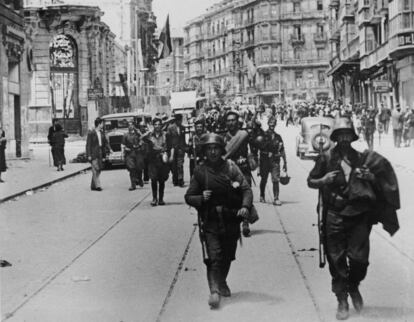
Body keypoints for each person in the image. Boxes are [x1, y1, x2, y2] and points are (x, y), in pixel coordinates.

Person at [307, 117, 400, 320]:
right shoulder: (326, 158)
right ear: (335, 138)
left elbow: (381, 185)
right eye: (340, 136)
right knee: (336, 258)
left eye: (347, 136)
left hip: (358, 215)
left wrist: (371, 178)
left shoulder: (361, 159)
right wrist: (323, 180)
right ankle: (342, 299)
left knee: (360, 260)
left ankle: (354, 285)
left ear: (352, 137)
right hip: (334, 214)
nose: (344, 140)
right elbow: (311, 181)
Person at [184, 133, 253, 309]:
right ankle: (214, 291)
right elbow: (189, 196)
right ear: (204, 152)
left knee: (228, 256)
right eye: (209, 149)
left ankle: (222, 281)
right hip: (211, 220)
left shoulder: (231, 168)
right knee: (214, 257)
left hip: (231, 218)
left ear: (221, 150)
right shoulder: (200, 171)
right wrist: (201, 198)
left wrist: (245, 206)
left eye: (216, 148)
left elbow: (246, 189)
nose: (213, 152)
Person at [223, 110, 255, 237]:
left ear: (238, 122)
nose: (231, 123)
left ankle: (245, 223)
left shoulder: (244, 135)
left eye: (233, 120)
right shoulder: (223, 138)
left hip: (243, 168)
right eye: (228, 120)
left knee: (246, 194)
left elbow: (254, 146)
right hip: (229, 171)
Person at [258, 117, 287, 205]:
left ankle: (276, 198)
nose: (272, 124)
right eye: (270, 122)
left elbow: (282, 150)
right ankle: (262, 195)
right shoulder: (263, 135)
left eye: (274, 123)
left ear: (275, 124)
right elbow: (259, 148)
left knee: (275, 179)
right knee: (264, 179)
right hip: (265, 160)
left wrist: (285, 163)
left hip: (275, 161)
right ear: (268, 123)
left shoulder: (278, 137)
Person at [144, 118, 169, 206]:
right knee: (153, 179)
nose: (157, 126)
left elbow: (168, 145)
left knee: (162, 179)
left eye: (159, 124)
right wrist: (148, 132)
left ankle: (161, 199)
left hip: (162, 158)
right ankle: (154, 198)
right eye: (155, 124)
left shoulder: (165, 135)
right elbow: (141, 138)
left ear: (161, 125)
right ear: (153, 125)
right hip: (153, 158)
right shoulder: (150, 135)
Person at [86, 117, 109, 191]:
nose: (103, 125)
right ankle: (98, 186)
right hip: (93, 153)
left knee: (99, 169)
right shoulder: (91, 133)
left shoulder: (102, 133)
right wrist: (89, 155)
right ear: (99, 124)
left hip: (100, 152)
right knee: (95, 169)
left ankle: (93, 185)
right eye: (102, 123)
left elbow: (105, 144)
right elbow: (88, 145)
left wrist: (107, 152)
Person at [122, 121, 145, 190]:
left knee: (139, 168)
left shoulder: (137, 134)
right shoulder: (125, 135)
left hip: (138, 152)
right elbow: (123, 145)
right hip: (130, 153)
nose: (130, 126)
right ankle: (133, 185)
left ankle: (140, 179)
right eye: (129, 125)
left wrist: (140, 143)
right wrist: (126, 149)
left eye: (132, 125)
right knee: (131, 168)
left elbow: (142, 139)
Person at [166, 113, 187, 187]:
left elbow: (183, 139)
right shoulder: (170, 128)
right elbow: (168, 139)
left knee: (180, 165)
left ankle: (181, 180)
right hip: (172, 149)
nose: (180, 122)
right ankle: (175, 180)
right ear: (176, 120)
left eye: (181, 120)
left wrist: (185, 148)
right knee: (173, 166)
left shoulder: (183, 128)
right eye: (179, 120)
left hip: (181, 149)